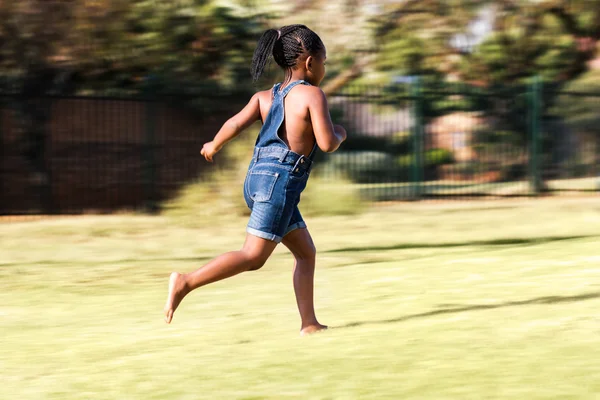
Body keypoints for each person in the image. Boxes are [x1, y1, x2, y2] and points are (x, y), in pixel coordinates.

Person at [164, 24, 347, 335]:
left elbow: (235, 122)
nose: (324, 69)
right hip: (280, 183)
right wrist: (342, 132)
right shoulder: (312, 95)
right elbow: (327, 142)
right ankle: (186, 282)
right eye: (325, 62)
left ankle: (309, 324)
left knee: (305, 252)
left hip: (256, 179)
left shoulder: (265, 96)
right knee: (253, 256)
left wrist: (214, 144)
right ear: (310, 63)